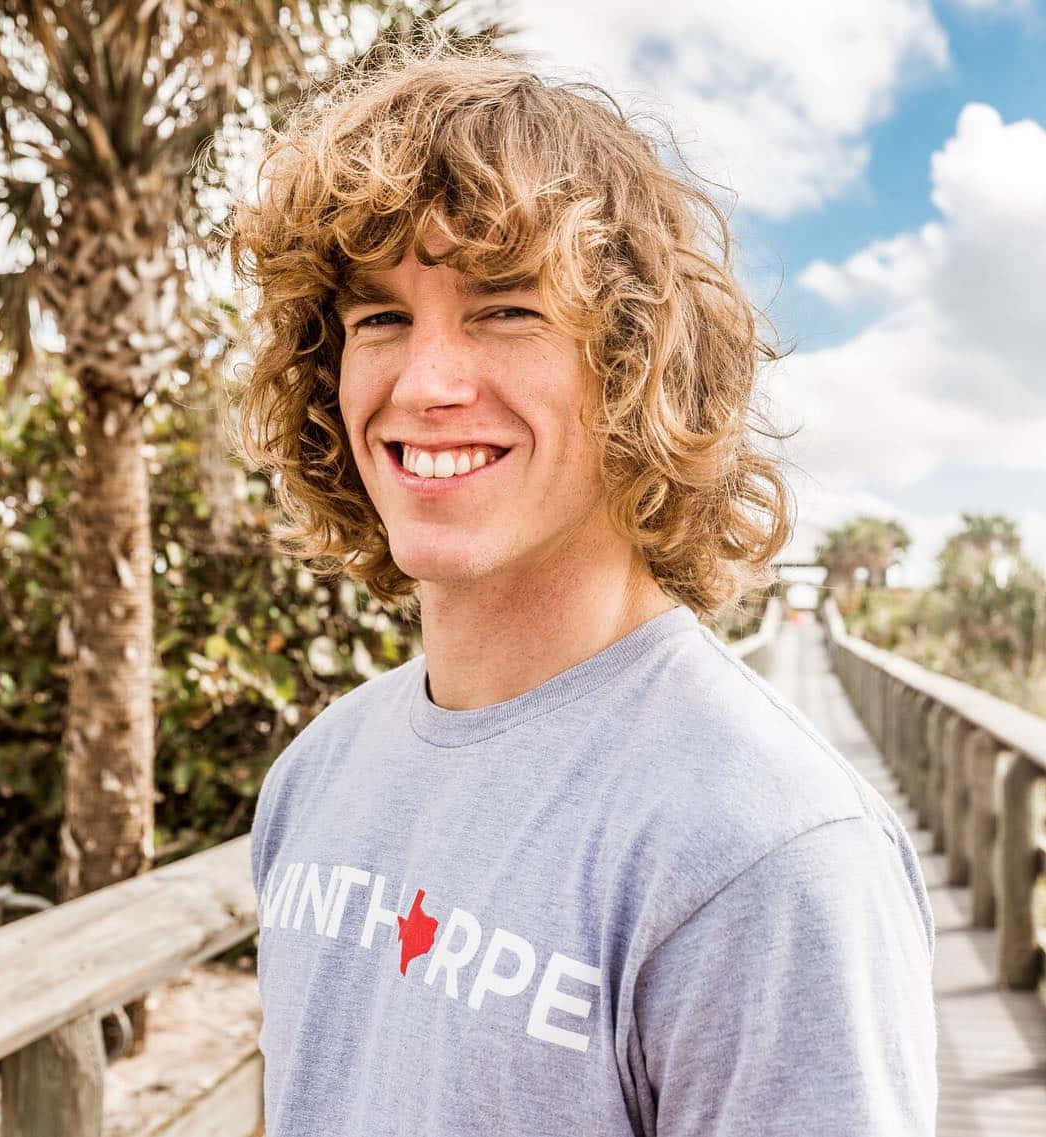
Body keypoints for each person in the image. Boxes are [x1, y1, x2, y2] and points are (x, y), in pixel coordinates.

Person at [226, 32, 938, 1137]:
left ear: (639, 365)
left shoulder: (764, 855)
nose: (427, 382)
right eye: (380, 318)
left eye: (505, 306)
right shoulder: (313, 782)